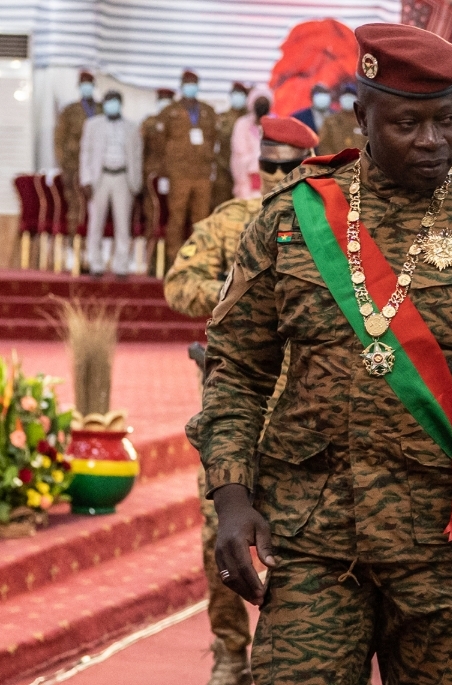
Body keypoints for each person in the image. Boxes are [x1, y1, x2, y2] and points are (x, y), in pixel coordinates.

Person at [186, 24, 452, 684]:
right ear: (363, 115)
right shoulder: (292, 219)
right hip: (313, 539)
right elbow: (235, 366)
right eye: (408, 122)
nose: (431, 140)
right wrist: (231, 494)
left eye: (446, 120)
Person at [165, 116, 316, 685]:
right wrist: (241, 291)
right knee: (218, 540)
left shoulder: (330, 232)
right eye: (269, 165)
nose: (276, 176)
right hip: (236, 410)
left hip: (304, 413)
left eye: (288, 166)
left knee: (304, 541)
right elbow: (179, 285)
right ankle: (230, 653)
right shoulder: (231, 222)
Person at [78, 90, 142, 277]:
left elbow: (137, 156)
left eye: (114, 101)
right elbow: (85, 153)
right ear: (103, 103)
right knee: (95, 222)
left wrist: (135, 183)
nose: (111, 104)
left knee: (123, 224)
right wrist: (86, 179)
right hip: (100, 178)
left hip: (122, 177)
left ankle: (121, 265)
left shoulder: (131, 127)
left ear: (120, 104)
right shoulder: (92, 125)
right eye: (108, 101)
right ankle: (95, 263)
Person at [162, 70, 218, 266]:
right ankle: (174, 261)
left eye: (194, 83)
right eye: (187, 83)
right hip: (179, 174)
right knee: (176, 218)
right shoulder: (170, 112)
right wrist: (165, 171)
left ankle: (197, 261)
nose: (191, 86)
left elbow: (214, 140)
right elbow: (162, 142)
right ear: (181, 85)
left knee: (201, 220)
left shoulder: (208, 111)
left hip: (202, 173)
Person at [54, 70, 99, 240]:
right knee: (75, 208)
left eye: (89, 83)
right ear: (79, 86)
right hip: (74, 167)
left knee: (97, 210)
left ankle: (94, 252)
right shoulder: (70, 111)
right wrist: (65, 165)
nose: (86, 86)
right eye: (83, 83)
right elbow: (59, 140)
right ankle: (75, 248)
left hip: (97, 168)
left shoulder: (101, 109)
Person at [141, 88, 174, 248]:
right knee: (152, 216)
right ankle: (151, 257)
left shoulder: (180, 122)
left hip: (174, 176)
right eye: (162, 99)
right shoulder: (149, 123)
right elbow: (140, 150)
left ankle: (169, 259)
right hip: (151, 177)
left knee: (173, 218)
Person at [211, 82, 250, 209]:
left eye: (240, 94)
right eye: (234, 94)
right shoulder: (221, 118)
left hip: (245, 171)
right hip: (223, 169)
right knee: (221, 206)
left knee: (242, 207)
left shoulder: (251, 119)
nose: (237, 97)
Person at [230, 95, 272, 200]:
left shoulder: (275, 124)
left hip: (269, 180)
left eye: (264, 104)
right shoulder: (242, 124)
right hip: (245, 180)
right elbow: (239, 153)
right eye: (259, 104)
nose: (261, 107)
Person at [318, 83, 368, 156]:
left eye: (351, 96)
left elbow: (369, 145)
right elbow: (323, 145)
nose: (347, 99)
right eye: (344, 96)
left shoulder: (364, 122)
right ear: (340, 99)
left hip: (360, 164)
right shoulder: (329, 122)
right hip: (335, 164)